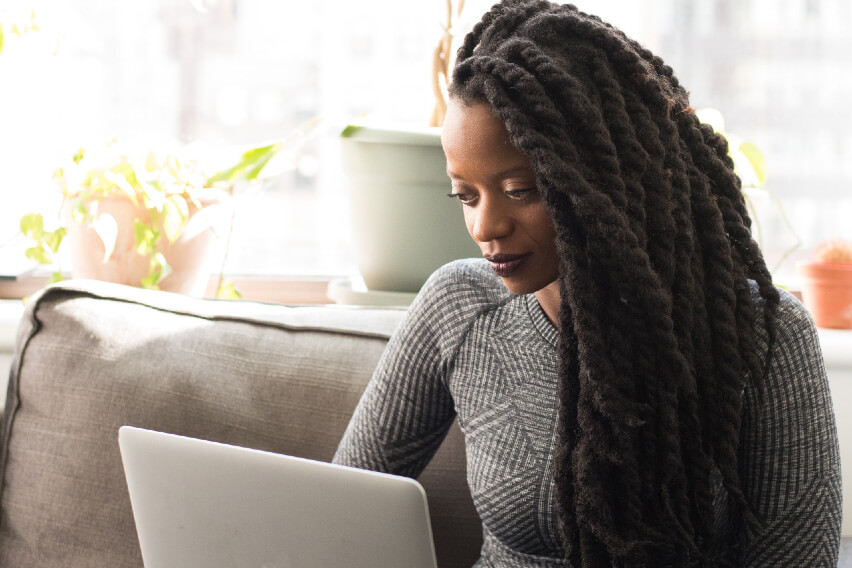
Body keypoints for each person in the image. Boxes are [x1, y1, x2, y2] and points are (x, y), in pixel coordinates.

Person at [333, 1, 842, 566]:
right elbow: (335, 505)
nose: (485, 227)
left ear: (605, 180)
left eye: (521, 190)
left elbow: (796, 558)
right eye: (466, 195)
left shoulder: (766, 339)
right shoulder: (458, 307)